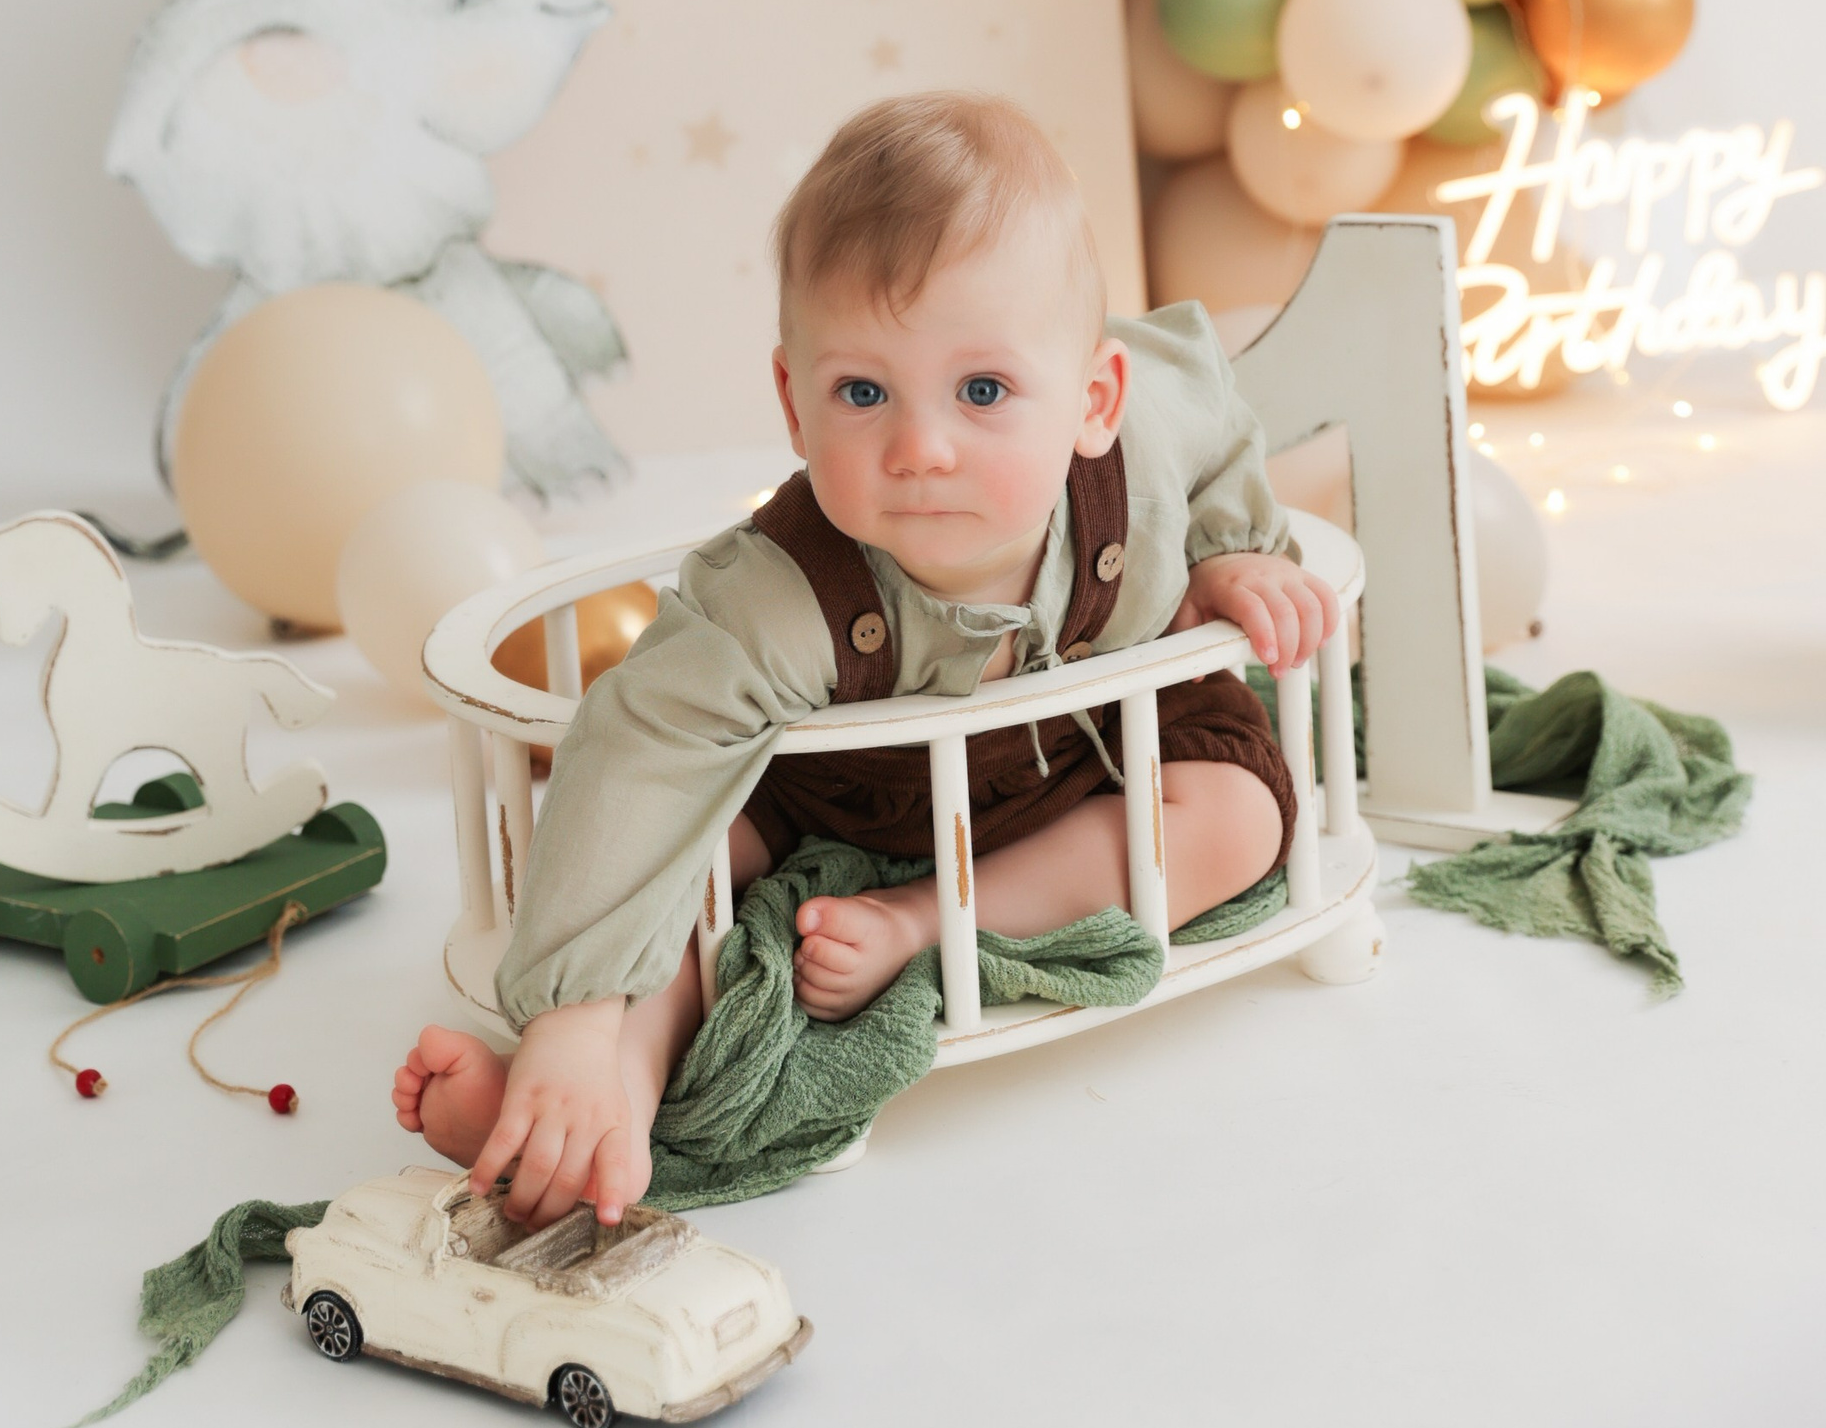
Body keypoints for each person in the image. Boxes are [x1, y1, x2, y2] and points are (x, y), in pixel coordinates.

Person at [392, 92, 1336, 1228]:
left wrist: (1236, 547)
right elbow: (637, 751)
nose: (920, 448)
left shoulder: (1139, 450)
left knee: (1243, 817)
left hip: (1094, 756)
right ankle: (599, 1093)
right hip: (840, 797)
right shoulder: (781, 591)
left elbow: (1212, 410)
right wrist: (572, 1011)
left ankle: (928, 921)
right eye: (863, 392)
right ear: (795, 405)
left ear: (1094, 401)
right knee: (687, 851)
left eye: (982, 391)